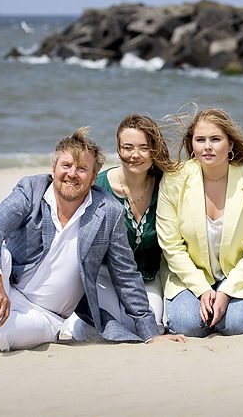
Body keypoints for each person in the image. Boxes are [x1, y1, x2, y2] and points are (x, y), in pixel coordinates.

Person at [0, 128, 184, 363]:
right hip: (5, 288)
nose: (72, 174)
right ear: (54, 168)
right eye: (66, 165)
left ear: (93, 178)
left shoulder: (107, 212)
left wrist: (151, 334)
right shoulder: (32, 190)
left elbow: (126, 275)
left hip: (45, 315)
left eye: (81, 170)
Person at [156, 108, 243, 337]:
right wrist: (202, 290)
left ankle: (224, 306)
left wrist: (226, 292)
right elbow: (171, 247)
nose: (207, 146)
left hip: (241, 275)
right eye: (200, 140)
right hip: (190, 276)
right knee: (187, 325)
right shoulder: (174, 180)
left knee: (237, 323)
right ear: (191, 144)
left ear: (230, 145)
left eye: (215, 139)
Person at [62, 115, 178, 338]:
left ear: (154, 150)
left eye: (144, 148)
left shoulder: (166, 185)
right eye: (128, 147)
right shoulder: (99, 187)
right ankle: (74, 322)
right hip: (103, 276)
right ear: (118, 149)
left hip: (146, 278)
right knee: (103, 330)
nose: (135, 155)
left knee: (146, 327)